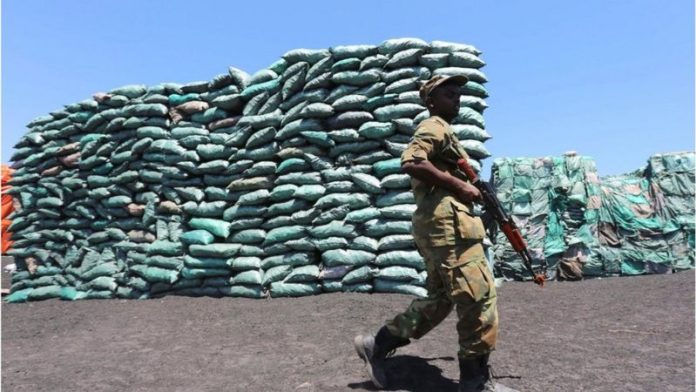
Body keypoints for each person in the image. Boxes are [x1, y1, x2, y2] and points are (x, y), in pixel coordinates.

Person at [353, 75, 517, 392]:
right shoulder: (435, 126)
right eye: (449, 94)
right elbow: (412, 161)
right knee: (479, 300)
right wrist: (460, 186)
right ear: (431, 102)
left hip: (439, 228)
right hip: (448, 229)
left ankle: (377, 344)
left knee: (440, 301)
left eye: (459, 94)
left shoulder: (445, 131)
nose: (457, 98)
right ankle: (475, 383)